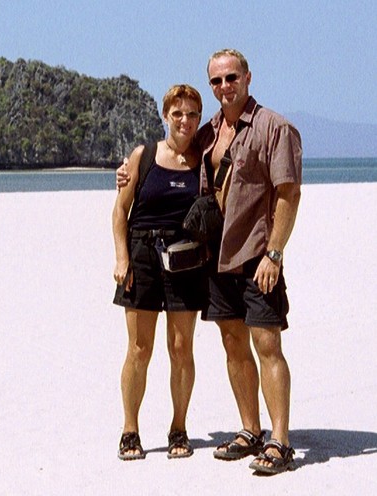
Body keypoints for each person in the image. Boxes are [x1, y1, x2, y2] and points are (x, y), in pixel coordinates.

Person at [116, 49, 302, 475]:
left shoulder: (275, 127)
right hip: (215, 259)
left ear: (248, 77)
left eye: (231, 78)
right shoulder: (208, 133)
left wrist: (275, 253)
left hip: (258, 256)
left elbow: (289, 194)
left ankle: (280, 441)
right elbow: (171, 160)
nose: (224, 87)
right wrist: (125, 172)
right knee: (233, 345)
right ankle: (250, 429)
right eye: (216, 81)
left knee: (267, 345)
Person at [113, 84, 205, 461]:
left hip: (185, 258)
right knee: (139, 348)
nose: (185, 121)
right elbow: (120, 211)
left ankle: (178, 427)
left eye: (192, 114)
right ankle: (130, 428)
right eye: (178, 114)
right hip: (143, 255)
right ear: (166, 115)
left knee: (181, 348)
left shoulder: (205, 159)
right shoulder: (144, 155)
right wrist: (122, 259)